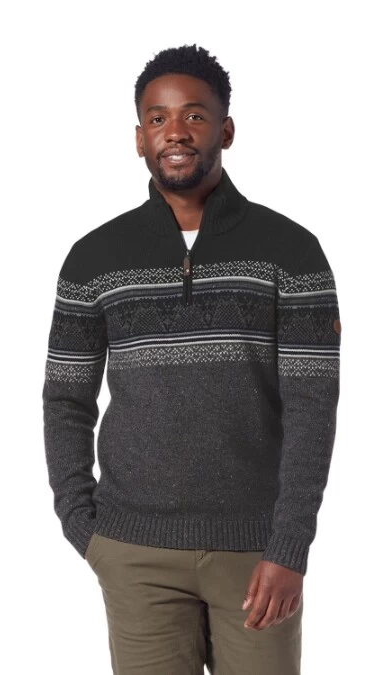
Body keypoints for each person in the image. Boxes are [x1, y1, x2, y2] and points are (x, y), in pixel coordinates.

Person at [42, 43, 342, 675]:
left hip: (257, 552)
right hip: (133, 553)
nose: (175, 131)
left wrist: (290, 546)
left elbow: (312, 409)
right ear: (139, 138)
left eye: (195, 116)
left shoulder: (292, 252)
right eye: (157, 118)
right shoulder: (93, 258)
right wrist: (83, 526)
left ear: (226, 130)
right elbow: (65, 399)